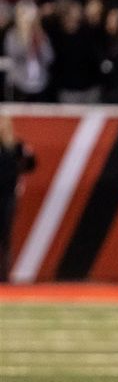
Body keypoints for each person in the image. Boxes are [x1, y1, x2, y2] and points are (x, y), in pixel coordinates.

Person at [0, 117, 36, 282]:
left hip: (7, 196)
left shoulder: (16, 146)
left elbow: (31, 164)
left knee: (5, 235)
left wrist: (26, 157)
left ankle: (4, 275)